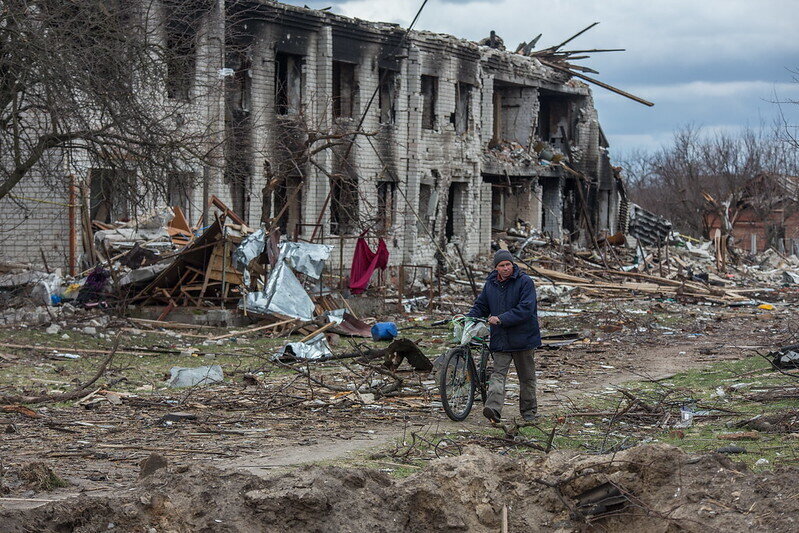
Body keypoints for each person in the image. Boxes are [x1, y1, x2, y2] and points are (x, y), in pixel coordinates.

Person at [467, 249, 541, 423]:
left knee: (527, 378)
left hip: (524, 339)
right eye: (502, 265)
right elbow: (482, 305)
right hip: (501, 339)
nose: (506, 268)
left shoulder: (525, 282)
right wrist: (469, 317)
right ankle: (493, 410)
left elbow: (526, 308)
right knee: (497, 375)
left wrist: (501, 319)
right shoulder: (491, 284)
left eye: (508, 264)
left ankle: (529, 412)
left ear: (513, 265)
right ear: (496, 268)